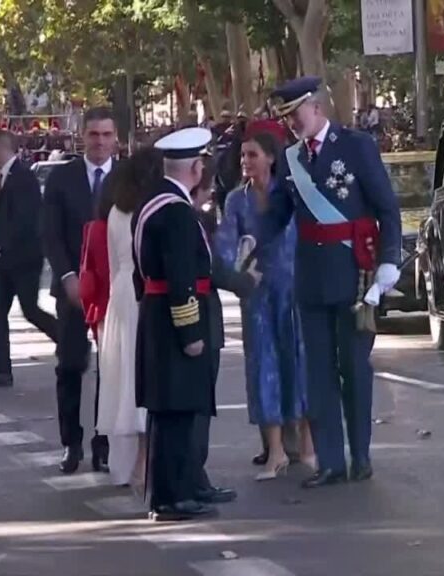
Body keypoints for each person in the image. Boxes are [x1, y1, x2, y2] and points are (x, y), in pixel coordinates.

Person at [262, 77, 401, 488]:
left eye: (295, 114)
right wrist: (253, 234)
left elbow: (387, 209)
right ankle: (330, 461)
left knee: (354, 368)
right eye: (285, 118)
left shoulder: (355, 146)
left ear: (317, 107)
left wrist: (389, 261)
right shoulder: (291, 160)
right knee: (318, 374)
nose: (291, 123)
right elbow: (279, 215)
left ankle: (360, 456)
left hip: (355, 275)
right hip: (311, 278)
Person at [216, 129, 315, 481]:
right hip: (258, 297)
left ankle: (306, 446)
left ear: (271, 158)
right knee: (264, 368)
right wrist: (234, 274)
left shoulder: (291, 194)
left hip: (295, 291)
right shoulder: (235, 201)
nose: (246, 161)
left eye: (252, 154)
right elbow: (226, 247)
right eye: (243, 156)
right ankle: (274, 450)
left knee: (300, 363)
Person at [133, 127, 217, 522]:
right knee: (178, 413)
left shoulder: (150, 202)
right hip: (174, 320)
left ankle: (167, 493)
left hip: (154, 314)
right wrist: (191, 332)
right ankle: (173, 496)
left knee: (166, 413)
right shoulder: (177, 212)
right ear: (196, 168)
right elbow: (182, 275)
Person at [43, 107, 117, 475]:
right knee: (70, 366)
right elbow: (50, 234)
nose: (100, 142)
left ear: (115, 138)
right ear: (81, 136)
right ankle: (71, 443)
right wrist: (69, 276)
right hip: (73, 289)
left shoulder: (128, 178)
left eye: (106, 134)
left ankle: (103, 445)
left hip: (116, 291)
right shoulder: (61, 178)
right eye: (93, 134)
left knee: (112, 368)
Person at [188, 157, 259, 503]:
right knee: (197, 404)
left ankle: (192, 474)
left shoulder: (189, 214)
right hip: (198, 319)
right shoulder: (185, 216)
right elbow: (211, 267)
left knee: (196, 404)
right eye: (209, 184)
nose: (213, 193)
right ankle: (192, 477)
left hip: (197, 318)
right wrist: (245, 282)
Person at [94, 148, 161, 491]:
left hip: (120, 294)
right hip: (143, 292)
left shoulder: (117, 213)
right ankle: (143, 463)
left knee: (124, 378)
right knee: (146, 377)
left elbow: (111, 261)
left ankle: (129, 464)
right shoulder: (152, 212)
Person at [0, 131, 58, 388]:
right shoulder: (8, 175)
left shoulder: (22, 177)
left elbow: (25, 220)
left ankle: (71, 341)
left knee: (30, 310)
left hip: (22, 259)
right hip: (7, 262)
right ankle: (1, 370)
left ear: (0, 148)